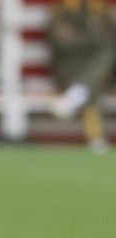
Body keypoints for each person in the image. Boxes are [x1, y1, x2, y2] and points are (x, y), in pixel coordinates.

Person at [47, 0, 115, 151]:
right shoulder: (62, 13)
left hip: (101, 73)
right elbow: (62, 43)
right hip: (72, 70)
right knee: (94, 81)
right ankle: (96, 138)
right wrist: (93, 42)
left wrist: (84, 40)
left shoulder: (101, 13)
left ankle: (77, 93)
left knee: (107, 57)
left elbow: (111, 41)